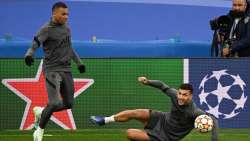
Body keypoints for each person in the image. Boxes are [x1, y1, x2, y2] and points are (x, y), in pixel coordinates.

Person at [24, 2, 85, 141]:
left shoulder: (67, 29)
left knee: (69, 104)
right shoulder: (46, 29)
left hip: (66, 70)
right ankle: (39, 131)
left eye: (68, 14)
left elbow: (69, 48)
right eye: (63, 14)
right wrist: (29, 54)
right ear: (54, 14)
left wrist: (79, 62)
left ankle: (41, 112)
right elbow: (35, 43)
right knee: (55, 103)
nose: (66, 17)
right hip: (52, 70)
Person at [91, 76, 218, 141]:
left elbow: (213, 120)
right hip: (162, 118)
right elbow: (162, 85)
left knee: (129, 133)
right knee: (135, 112)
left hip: (166, 136)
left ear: (190, 96)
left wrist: (214, 139)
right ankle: (105, 120)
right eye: (180, 93)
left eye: (184, 95)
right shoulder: (175, 95)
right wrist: (147, 81)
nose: (180, 97)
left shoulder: (195, 112)